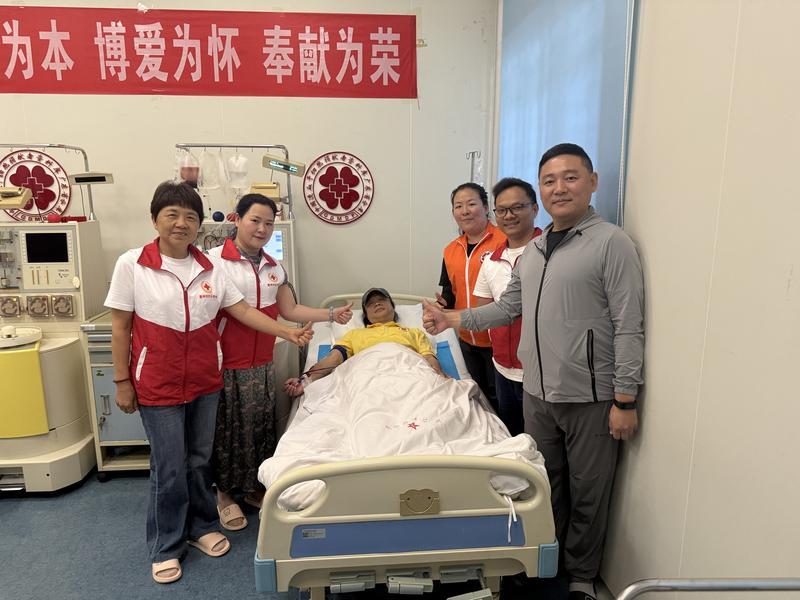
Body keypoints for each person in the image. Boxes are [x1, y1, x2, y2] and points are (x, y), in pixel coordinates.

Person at [423, 144, 644, 600]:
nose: (559, 188)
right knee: (544, 484)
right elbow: (508, 307)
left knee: (588, 491)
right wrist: (453, 319)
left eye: (570, 177)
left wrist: (625, 398)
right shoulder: (537, 249)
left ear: (592, 182)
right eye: (549, 180)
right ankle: (546, 560)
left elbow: (628, 324)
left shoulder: (611, 243)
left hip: (590, 396)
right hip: (536, 392)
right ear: (541, 189)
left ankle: (580, 576)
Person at [105, 182, 313, 585]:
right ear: (155, 220)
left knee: (199, 460)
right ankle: (166, 545)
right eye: (172, 215)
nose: (181, 224)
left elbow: (243, 311)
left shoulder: (210, 269)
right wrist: (122, 380)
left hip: (205, 381)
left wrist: (287, 332)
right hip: (158, 383)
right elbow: (120, 326)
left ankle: (201, 526)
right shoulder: (133, 264)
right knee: (169, 467)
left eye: (190, 217)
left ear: (199, 224)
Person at [206, 193, 353, 531]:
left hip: (262, 359)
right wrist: (288, 333)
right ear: (237, 218)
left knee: (259, 424)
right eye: (255, 220)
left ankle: (253, 486)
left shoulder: (274, 267)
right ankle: (225, 495)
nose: (262, 229)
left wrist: (332, 314)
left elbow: (290, 310)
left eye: (269, 223)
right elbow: (241, 312)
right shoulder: (215, 262)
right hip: (226, 360)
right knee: (228, 429)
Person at [473, 177, 542, 436]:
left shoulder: (551, 253)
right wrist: (446, 315)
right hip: (502, 368)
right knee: (512, 438)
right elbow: (483, 314)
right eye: (501, 210)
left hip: (539, 374)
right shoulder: (491, 261)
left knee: (542, 444)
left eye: (517, 207)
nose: (508, 216)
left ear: (534, 209)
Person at [284, 288, 446, 397]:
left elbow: (428, 358)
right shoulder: (354, 335)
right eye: (370, 303)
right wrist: (305, 380)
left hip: (408, 377)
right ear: (366, 314)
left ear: (392, 306)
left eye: (382, 300)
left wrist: (440, 378)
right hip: (366, 380)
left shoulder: (414, 333)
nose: (377, 303)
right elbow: (333, 359)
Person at [438, 182, 506, 411]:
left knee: (503, 404)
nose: (465, 211)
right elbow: (449, 292)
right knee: (478, 400)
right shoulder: (450, 250)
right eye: (458, 206)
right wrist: (441, 304)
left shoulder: (504, 241)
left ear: (486, 207)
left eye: (471, 204)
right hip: (467, 339)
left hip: (500, 340)